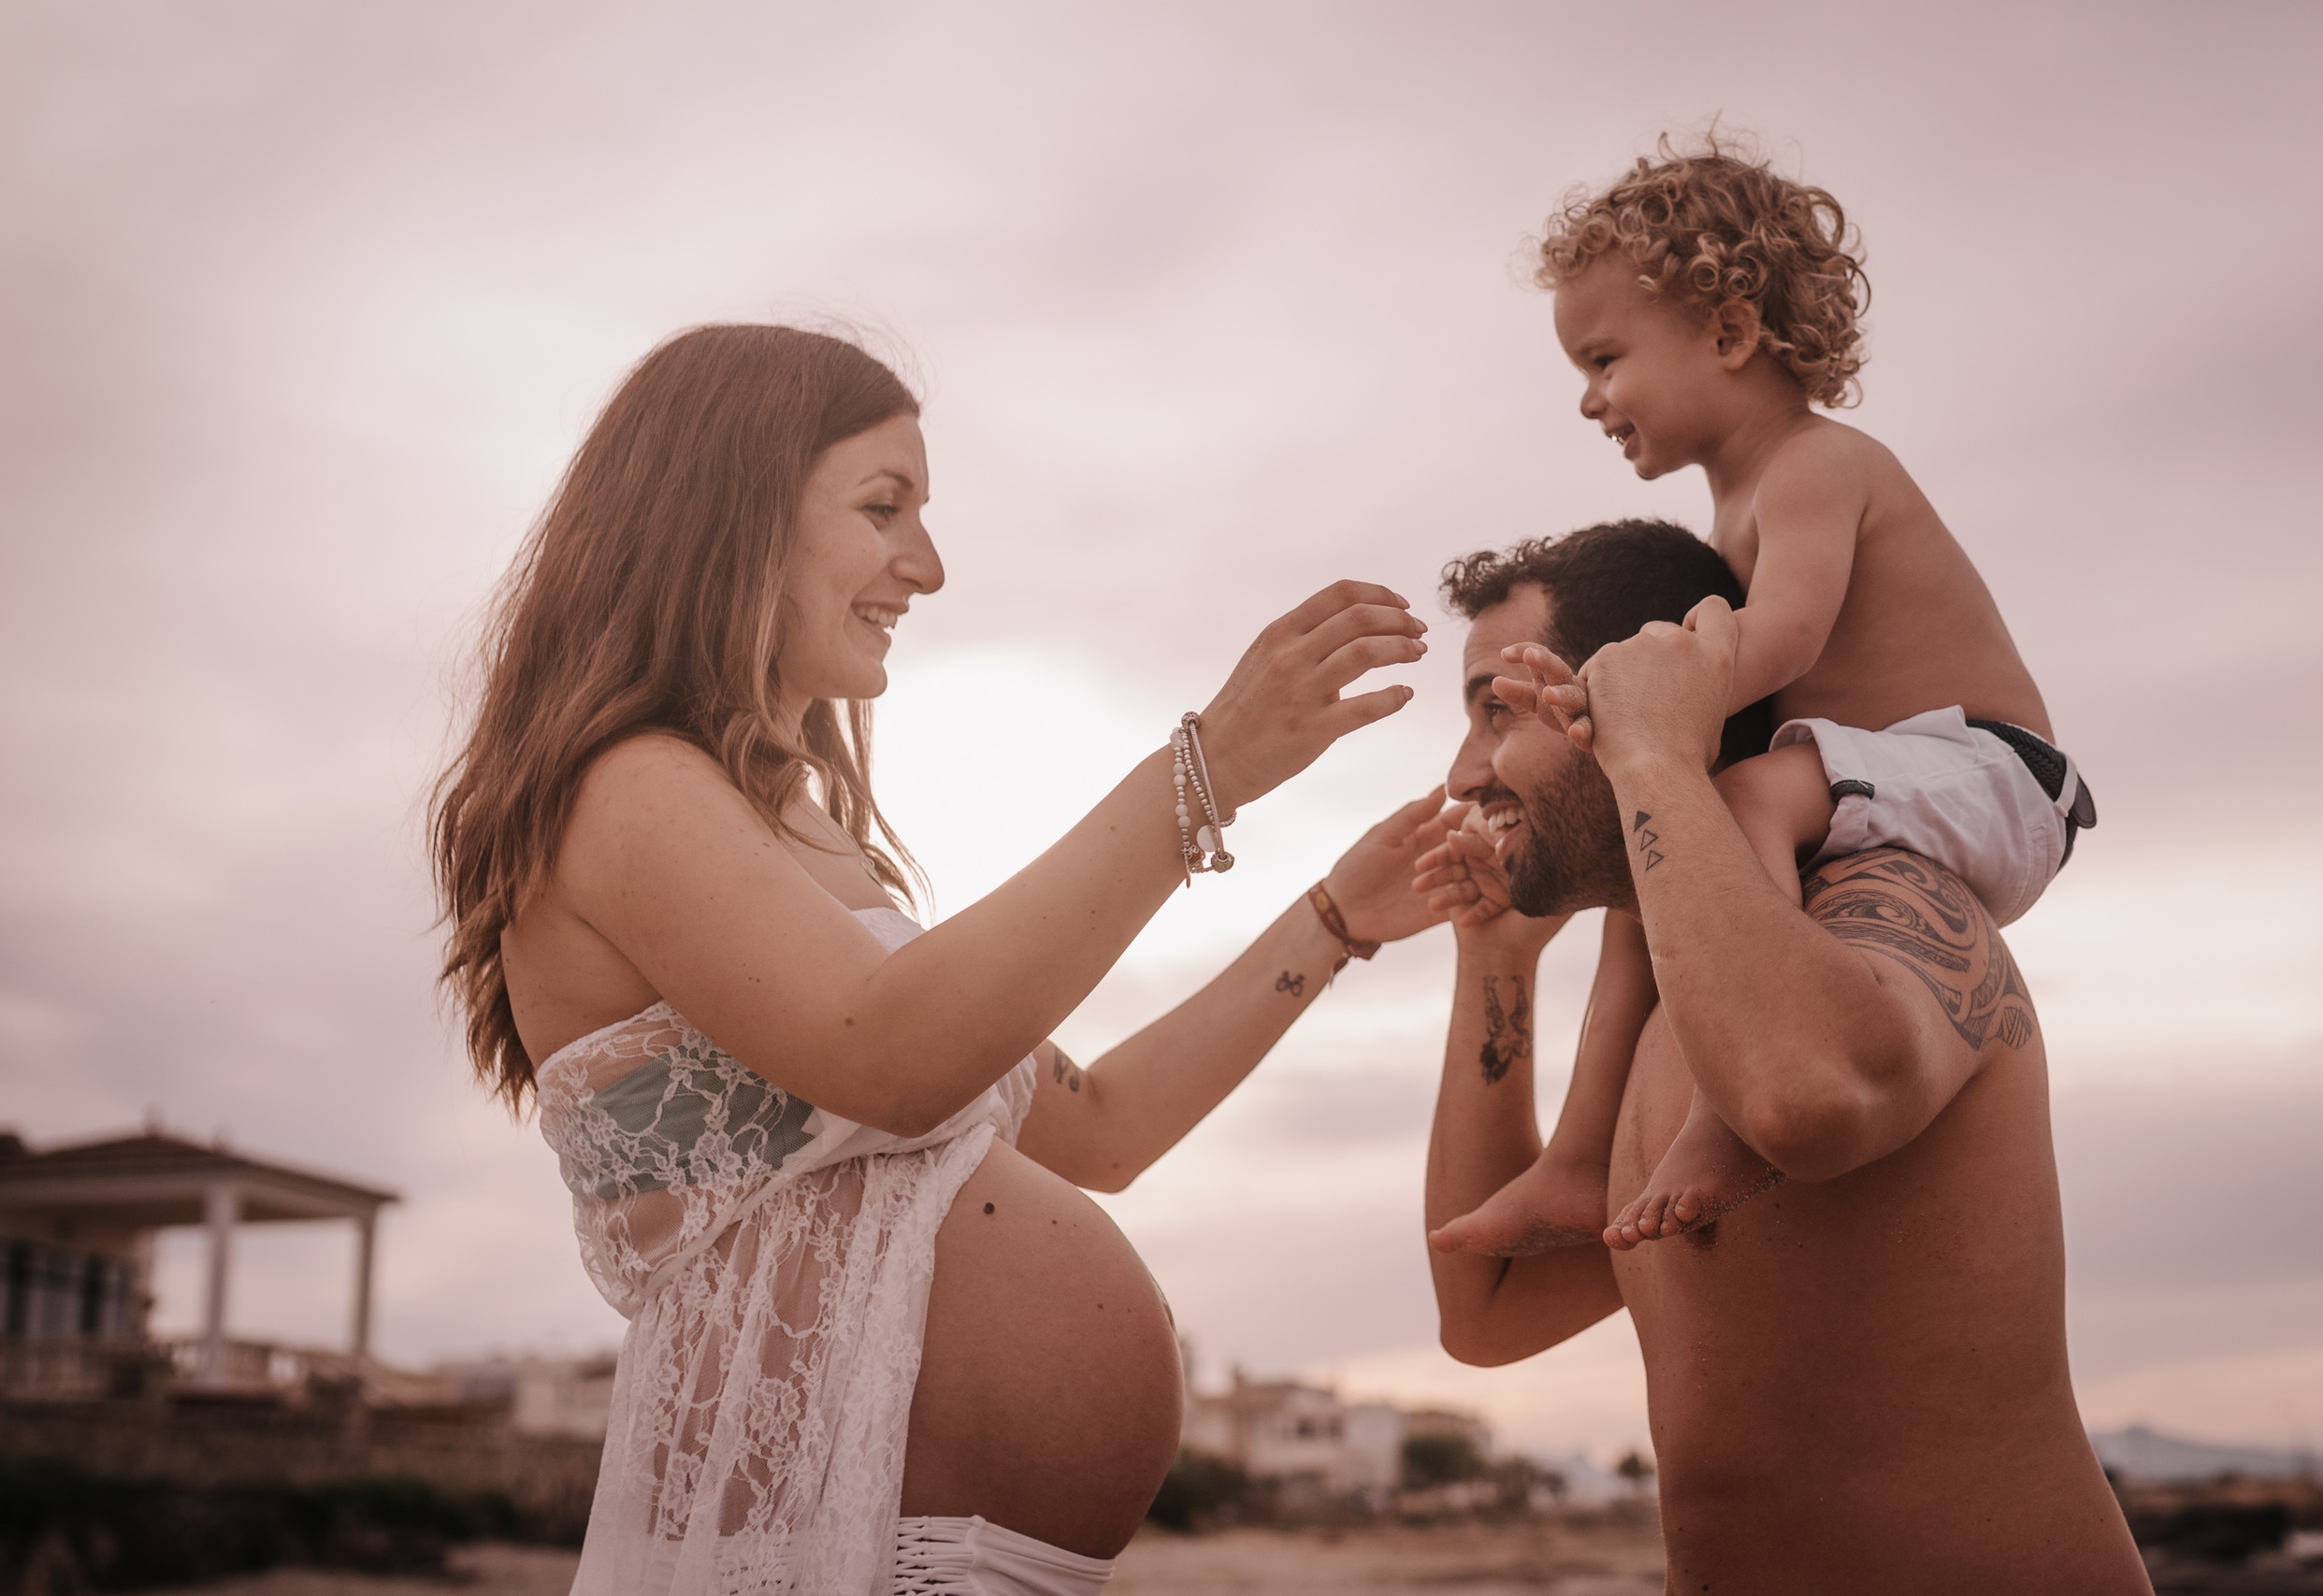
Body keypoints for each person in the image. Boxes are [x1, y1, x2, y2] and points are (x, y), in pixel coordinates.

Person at [427, 324, 1447, 1594]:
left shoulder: (812, 848)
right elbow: (890, 1053)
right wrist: (1208, 770)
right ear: (726, 517)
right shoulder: (626, 789)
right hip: (827, 1548)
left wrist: (1332, 921)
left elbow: (1103, 1130)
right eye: (882, 506)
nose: (929, 562)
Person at [1412, 519, 2150, 1592]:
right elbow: (1485, 1315)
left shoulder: (1882, 899)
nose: (1461, 772)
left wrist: (1658, 755)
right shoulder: (1662, 1002)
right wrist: (1495, 964)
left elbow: (1802, 1099)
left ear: (1621, 695)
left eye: (1494, 711)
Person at [1431, 138, 2096, 1258]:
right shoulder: (1734, 502)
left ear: (1730, 334)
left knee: (1730, 804)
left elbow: (1781, 637)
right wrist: (1623, 724)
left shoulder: (1812, 468)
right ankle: (1580, 1157)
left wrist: (1622, 702)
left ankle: (1719, 1121)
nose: (1590, 401)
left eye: (1603, 360)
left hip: (1993, 767)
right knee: (1663, 855)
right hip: (1871, 770)